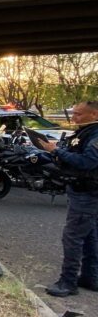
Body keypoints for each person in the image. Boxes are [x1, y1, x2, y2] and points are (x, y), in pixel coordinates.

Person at [39, 101, 98, 297]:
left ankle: (68, 282)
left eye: (79, 114)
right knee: (90, 236)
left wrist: (55, 151)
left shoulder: (95, 136)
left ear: (94, 114)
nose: (74, 118)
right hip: (82, 191)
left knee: (72, 237)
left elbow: (86, 162)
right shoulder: (85, 132)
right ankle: (90, 278)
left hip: (87, 194)